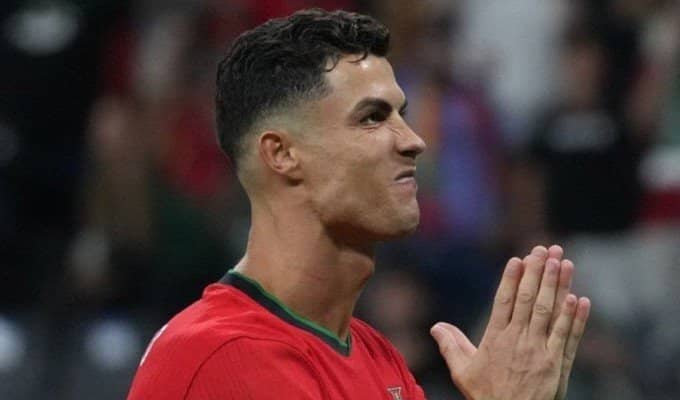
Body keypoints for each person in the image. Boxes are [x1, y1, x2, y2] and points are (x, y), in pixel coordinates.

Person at [126, 9, 591, 400]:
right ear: (282, 154)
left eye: (401, 115)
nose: (413, 141)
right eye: (372, 118)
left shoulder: (378, 358)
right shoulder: (223, 354)